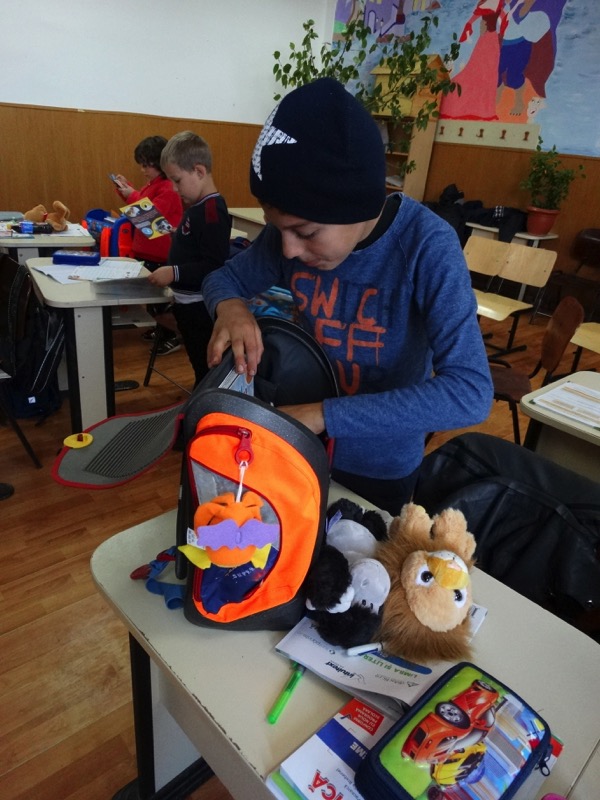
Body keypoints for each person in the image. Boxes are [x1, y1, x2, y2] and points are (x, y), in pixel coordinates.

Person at [202, 78, 493, 516]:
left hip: (380, 469)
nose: (288, 250)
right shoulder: (291, 234)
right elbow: (222, 279)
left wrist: (324, 414)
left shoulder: (427, 246)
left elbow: (470, 391)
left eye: (305, 232)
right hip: (298, 449)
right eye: (277, 228)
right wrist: (231, 307)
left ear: (358, 205)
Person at [147, 131, 231, 385]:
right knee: (197, 361)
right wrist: (179, 234)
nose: (174, 188)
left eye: (177, 180)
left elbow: (213, 265)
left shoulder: (212, 210)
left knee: (206, 368)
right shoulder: (197, 206)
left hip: (199, 308)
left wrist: (173, 272)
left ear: (199, 171)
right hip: (187, 305)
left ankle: (204, 401)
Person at [114, 135, 184, 353]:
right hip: (146, 252)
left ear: (160, 163)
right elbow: (141, 206)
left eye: (147, 165)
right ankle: (162, 328)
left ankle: (174, 334)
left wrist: (131, 194)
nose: (143, 170)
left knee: (161, 301)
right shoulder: (153, 185)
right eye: (142, 165)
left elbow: (149, 218)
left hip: (161, 255)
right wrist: (126, 189)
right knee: (152, 300)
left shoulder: (168, 188)